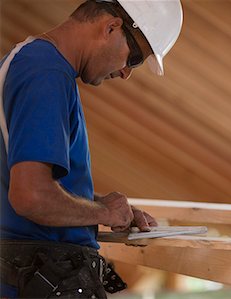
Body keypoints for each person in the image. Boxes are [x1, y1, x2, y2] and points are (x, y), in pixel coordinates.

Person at [0, 0, 183, 297]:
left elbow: (26, 182)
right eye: (134, 58)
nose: (126, 72)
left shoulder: (33, 63)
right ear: (111, 27)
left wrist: (102, 205)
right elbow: (30, 197)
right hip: (33, 280)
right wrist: (103, 212)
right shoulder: (45, 73)